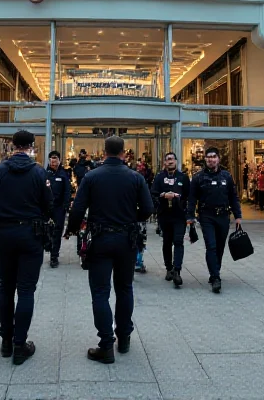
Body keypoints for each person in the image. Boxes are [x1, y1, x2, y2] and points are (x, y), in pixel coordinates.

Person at [66, 136, 154, 364]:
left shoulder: (92, 176)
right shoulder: (135, 177)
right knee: (125, 288)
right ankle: (123, 336)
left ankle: (106, 343)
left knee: (100, 291)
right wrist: (129, 219)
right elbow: (147, 209)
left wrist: (72, 229)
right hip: (126, 239)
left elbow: (77, 209)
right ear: (124, 153)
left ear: (104, 152)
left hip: (100, 238)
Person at [0, 130, 53, 365]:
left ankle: (6, 340)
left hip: (4, 233)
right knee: (26, 290)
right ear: (31, 146)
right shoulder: (39, 172)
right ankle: (20, 344)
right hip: (31, 234)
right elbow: (48, 205)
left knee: (6, 287)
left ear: (13, 146)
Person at [187, 147, 241, 293]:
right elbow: (192, 199)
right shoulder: (198, 177)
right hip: (206, 216)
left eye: (213, 156)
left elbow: (233, 197)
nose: (211, 159)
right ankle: (215, 277)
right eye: (208, 157)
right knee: (211, 246)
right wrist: (190, 217)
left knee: (220, 247)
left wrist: (238, 216)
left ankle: (215, 270)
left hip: (223, 216)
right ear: (205, 159)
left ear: (218, 159)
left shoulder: (226, 176)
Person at [150, 152, 190, 288]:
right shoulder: (159, 178)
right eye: (168, 159)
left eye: (172, 159)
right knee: (167, 241)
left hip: (179, 215)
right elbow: (153, 193)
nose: (170, 161)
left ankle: (177, 270)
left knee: (178, 241)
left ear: (176, 161)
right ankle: (169, 268)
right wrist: (163, 195)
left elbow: (189, 195)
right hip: (164, 214)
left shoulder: (183, 177)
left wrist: (180, 198)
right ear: (165, 163)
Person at [45, 151, 70, 269]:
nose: (53, 163)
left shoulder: (63, 174)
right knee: (46, 231)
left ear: (59, 161)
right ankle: (48, 245)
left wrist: (65, 206)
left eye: (55, 160)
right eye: (51, 160)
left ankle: (54, 257)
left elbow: (67, 191)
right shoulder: (45, 174)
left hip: (59, 208)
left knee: (57, 232)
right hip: (46, 208)